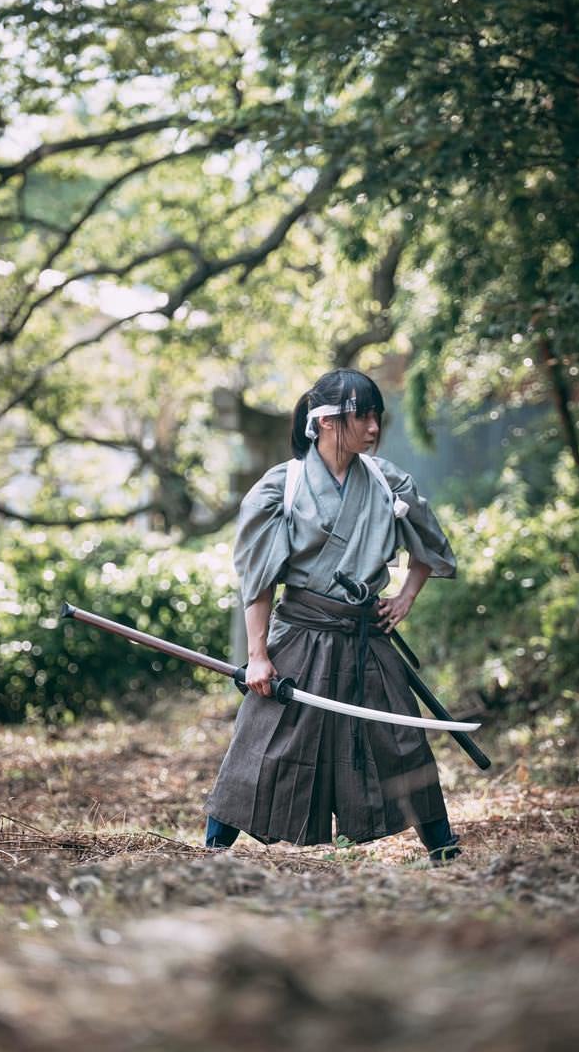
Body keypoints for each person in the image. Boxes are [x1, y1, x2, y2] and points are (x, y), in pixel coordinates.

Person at [204, 368, 461, 863]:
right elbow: (259, 580)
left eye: (376, 417)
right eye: (360, 416)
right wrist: (257, 656)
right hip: (301, 632)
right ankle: (213, 848)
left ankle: (443, 847)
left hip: (366, 633)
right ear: (323, 422)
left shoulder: (389, 481)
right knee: (264, 739)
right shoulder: (283, 486)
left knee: (401, 736)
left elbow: (429, 549)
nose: (372, 427)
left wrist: (404, 598)